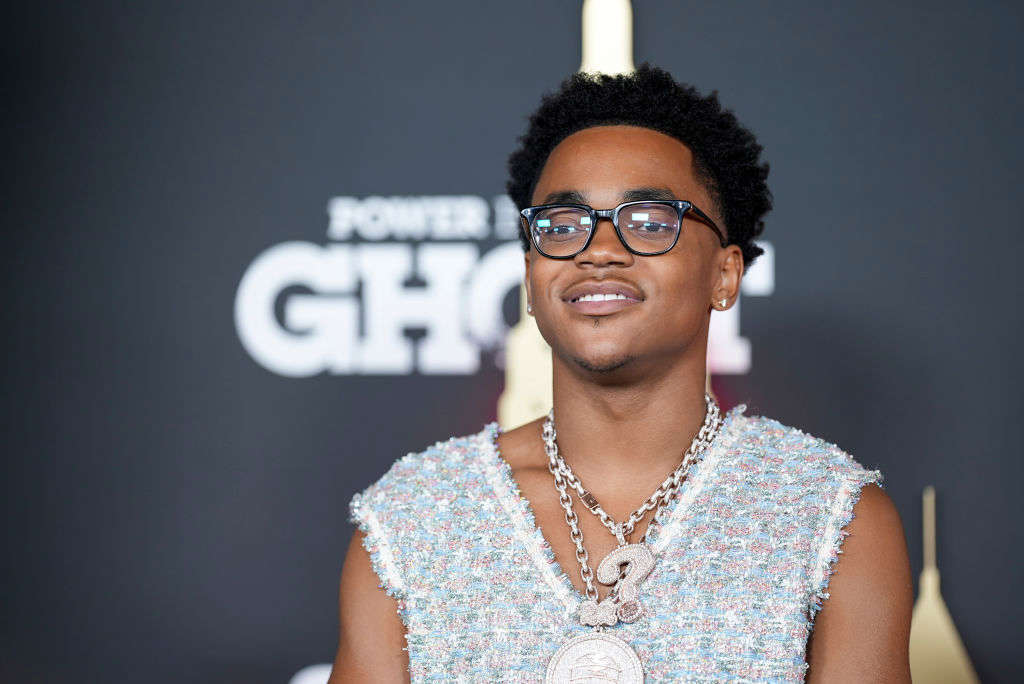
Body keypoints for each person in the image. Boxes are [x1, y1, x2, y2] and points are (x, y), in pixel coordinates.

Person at [328, 65, 913, 683]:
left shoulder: (829, 514)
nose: (599, 249)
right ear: (530, 278)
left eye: (650, 222)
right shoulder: (413, 517)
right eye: (562, 226)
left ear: (724, 275)